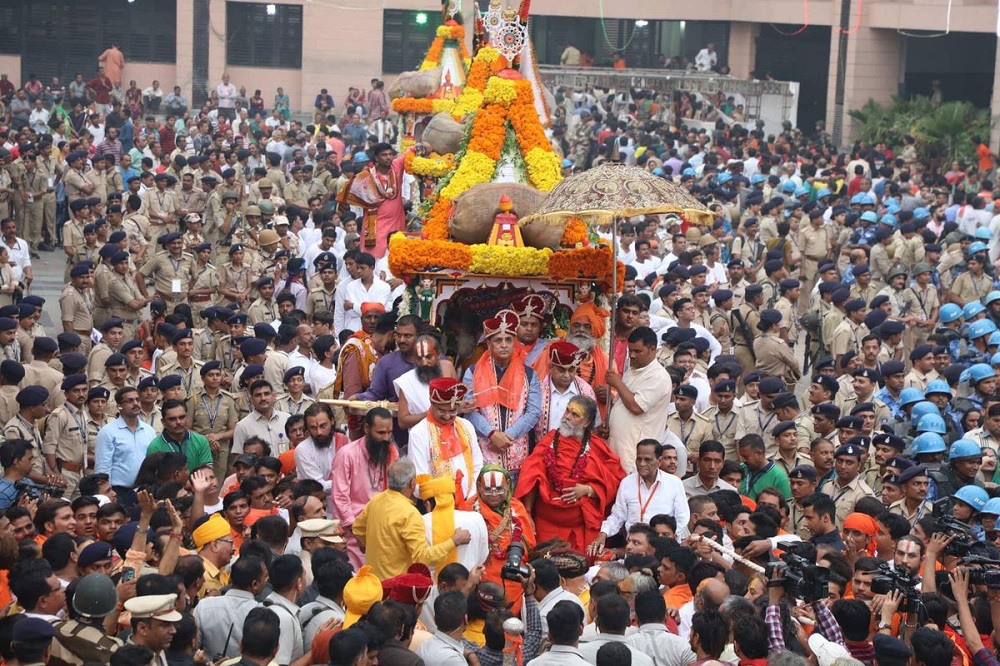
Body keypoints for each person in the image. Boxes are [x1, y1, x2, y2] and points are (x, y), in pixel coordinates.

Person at [516, 395, 625, 553]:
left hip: (580, 529)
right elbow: (531, 478)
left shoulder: (597, 447)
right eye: (567, 411)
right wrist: (527, 514)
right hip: (546, 527)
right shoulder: (549, 441)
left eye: (575, 415)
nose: (567, 416)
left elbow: (614, 481)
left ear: (586, 422)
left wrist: (587, 490)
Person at [352, 459, 471, 580]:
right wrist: (454, 541)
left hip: (373, 583)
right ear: (412, 483)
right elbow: (422, 557)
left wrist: (373, 546)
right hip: (395, 587)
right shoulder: (410, 514)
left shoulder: (376, 501)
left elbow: (357, 529)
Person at [463, 310, 541, 485]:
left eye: (508, 340)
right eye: (498, 340)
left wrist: (506, 436)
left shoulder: (530, 375)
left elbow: (534, 412)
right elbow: (468, 410)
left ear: (515, 344)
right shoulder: (472, 372)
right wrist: (492, 434)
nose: (504, 345)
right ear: (489, 343)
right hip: (484, 452)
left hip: (518, 454)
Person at [589, 439, 690, 557]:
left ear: (659, 461)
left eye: (648, 460)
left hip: (662, 552)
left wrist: (664, 539)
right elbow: (618, 515)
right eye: (639, 459)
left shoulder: (674, 483)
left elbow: (682, 518)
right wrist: (603, 534)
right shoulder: (627, 483)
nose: (642, 464)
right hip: (634, 552)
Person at [332, 406, 399, 567]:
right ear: (367, 429)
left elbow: (395, 492)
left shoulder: (391, 451)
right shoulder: (347, 454)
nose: (386, 438)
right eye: (381, 433)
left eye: (389, 432)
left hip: (383, 528)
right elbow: (340, 497)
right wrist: (356, 531)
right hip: (354, 532)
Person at [607, 327, 672, 472]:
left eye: (638, 351)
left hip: (636, 455)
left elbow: (636, 407)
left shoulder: (658, 376)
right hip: (618, 448)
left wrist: (617, 383)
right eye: (630, 351)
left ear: (652, 350)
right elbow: (621, 403)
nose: (633, 356)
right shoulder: (632, 371)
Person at [408, 378, 483, 502]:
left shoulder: (467, 426)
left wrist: (470, 497)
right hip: (437, 505)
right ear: (431, 404)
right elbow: (419, 481)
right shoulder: (418, 433)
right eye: (441, 411)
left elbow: (477, 465)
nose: (447, 416)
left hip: (470, 502)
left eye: (452, 411)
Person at [94, 387, 157, 505]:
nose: (135, 404)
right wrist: (106, 495)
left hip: (146, 491)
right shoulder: (108, 432)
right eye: (130, 401)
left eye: (137, 400)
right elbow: (103, 467)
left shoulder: (149, 431)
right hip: (120, 492)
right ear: (119, 406)